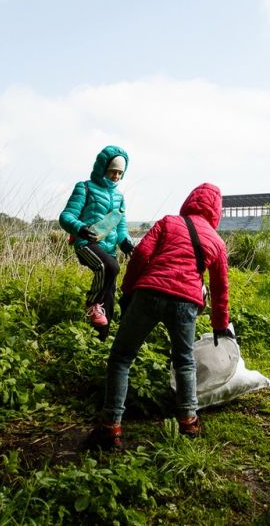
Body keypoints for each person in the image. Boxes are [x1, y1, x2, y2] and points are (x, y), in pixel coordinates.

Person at [89, 183, 233, 449]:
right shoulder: (217, 241)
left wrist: (128, 289)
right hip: (186, 303)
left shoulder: (168, 222)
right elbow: (220, 288)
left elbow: (141, 254)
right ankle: (189, 421)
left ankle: (110, 426)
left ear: (190, 201)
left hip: (149, 293)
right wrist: (219, 325)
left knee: (121, 358)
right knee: (184, 362)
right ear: (216, 212)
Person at [59, 145, 135, 340]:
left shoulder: (120, 197)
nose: (116, 176)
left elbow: (120, 227)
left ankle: (99, 340)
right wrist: (80, 228)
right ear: (102, 168)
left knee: (109, 296)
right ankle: (92, 303)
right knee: (110, 267)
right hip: (86, 243)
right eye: (112, 171)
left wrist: (125, 242)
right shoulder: (84, 187)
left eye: (120, 173)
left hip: (108, 248)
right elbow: (66, 216)